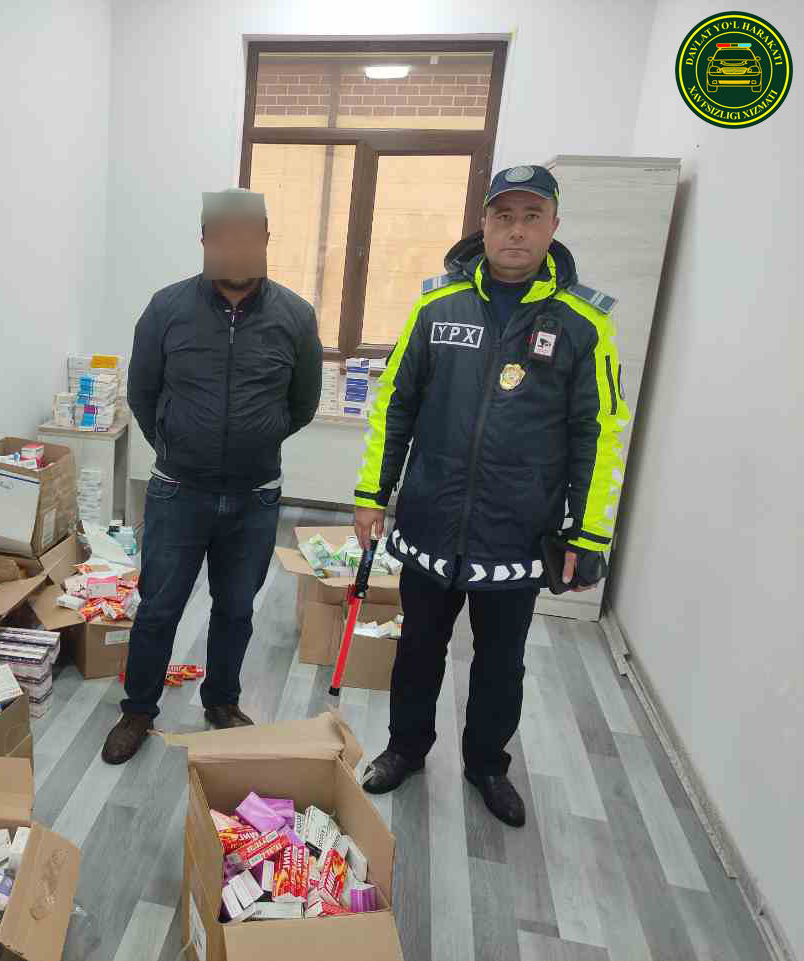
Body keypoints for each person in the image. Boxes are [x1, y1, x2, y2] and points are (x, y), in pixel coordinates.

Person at [352, 165, 630, 826]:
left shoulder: (584, 322)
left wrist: (589, 533)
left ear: (553, 226)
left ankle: (486, 764)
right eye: (504, 216)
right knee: (418, 649)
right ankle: (406, 747)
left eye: (532, 217)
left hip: (518, 532)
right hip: (431, 520)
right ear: (483, 223)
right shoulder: (437, 306)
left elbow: (601, 432)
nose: (516, 231)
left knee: (501, 663)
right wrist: (371, 493)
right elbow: (394, 404)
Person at [101, 187, 323, 765]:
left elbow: (302, 404)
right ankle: (138, 709)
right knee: (158, 607)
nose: (236, 246)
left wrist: (259, 437)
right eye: (223, 235)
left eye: (249, 235)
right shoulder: (166, 309)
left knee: (236, 608)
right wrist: (175, 445)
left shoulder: (295, 316)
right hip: (178, 492)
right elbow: (142, 393)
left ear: (266, 239)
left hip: (255, 497)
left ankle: (222, 701)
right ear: (204, 240)